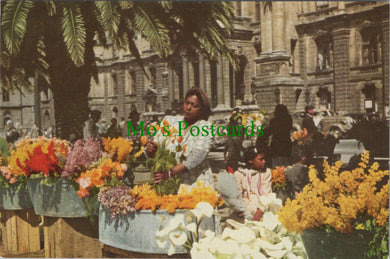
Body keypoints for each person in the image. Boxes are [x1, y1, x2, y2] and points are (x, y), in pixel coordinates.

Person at [145, 87, 214, 188]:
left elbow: (196, 156)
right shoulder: (169, 121)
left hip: (196, 184)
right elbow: (155, 151)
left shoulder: (206, 127)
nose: (188, 108)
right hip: (170, 184)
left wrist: (170, 173)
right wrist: (150, 150)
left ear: (201, 110)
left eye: (194, 106)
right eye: (187, 103)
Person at [234, 146, 272, 221]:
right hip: (244, 204)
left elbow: (267, 194)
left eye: (264, 159)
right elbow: (237, 194)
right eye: (260, 159)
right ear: (250, 160)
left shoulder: (266, 172)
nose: (264, 161)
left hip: (261, 203)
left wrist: (260, 210)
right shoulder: (239, 173)